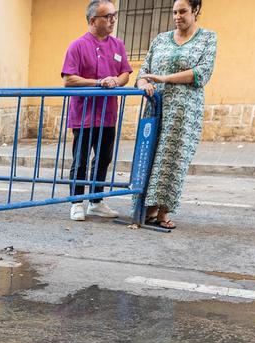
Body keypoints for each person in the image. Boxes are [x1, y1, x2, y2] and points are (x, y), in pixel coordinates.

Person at [137, 0, 217, 229]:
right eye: (174, 12)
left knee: (174, 160)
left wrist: (164, 79)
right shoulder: (160, 39)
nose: (177, 16)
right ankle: (146, 209)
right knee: (150, 157)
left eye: (182, 11)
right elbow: (144, 70)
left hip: (184, 112)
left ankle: (162, 213)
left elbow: (202, 73)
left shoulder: (208, 38)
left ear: (196, 11)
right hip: (156, 108)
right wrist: (143, 82)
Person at [62, 1, 133, 222]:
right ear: (93, 20)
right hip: (84, 115)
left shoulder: (118, 45)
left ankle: (96, 201)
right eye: (108, 16)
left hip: (108, 114)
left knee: (103, 159)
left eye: (114, 15)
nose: (113, 19)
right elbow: (68, 79)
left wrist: (116, 81)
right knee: (81, 160)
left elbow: (125, 73)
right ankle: (76, 202)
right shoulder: (77, 46)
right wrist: (98, 82)